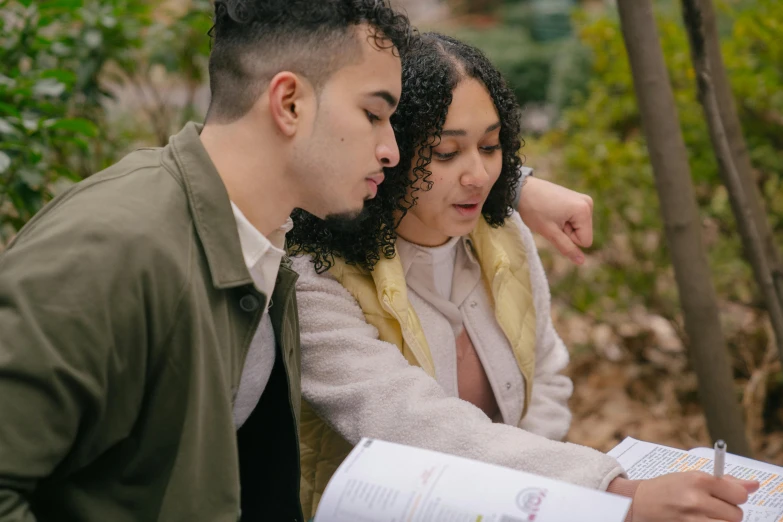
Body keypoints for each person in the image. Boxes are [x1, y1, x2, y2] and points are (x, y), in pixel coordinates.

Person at [287, 33, 759, 522]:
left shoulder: (502, 233)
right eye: (447, 153)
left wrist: (549, 501)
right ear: (386, 151)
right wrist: (611, 494)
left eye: (491, 146)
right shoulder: (315, 277)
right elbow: (412, 423)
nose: (479, 175)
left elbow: (547, 375)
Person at [0, 1, 414, 521]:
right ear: (288, 102)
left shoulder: (262, 250)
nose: (390, 149)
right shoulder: (113, 246)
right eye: (374, 114)